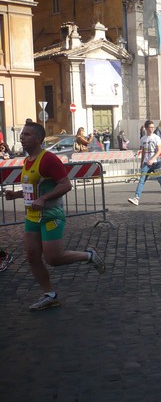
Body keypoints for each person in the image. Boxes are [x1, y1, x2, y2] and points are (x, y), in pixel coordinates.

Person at [5, 122, 105, 311]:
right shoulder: (27, 161)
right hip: (32, 216)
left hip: (51, 215)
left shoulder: (48, 159)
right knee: (32, 256)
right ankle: (50, 295)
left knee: (54, 259)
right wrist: (17, 194)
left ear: (38, 139)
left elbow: (66, 185)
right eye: (22, 134)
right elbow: (33, 188)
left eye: (27, 134)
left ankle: (89, 255)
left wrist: (44, 199)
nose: (22, 137)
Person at [128, 120, 161, 206]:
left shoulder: (156, 138)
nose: (152, 129)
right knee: (142, 180)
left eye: (153, 127)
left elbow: (159, 151)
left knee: (160, 179)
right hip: (146, 163)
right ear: (146, 128)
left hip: (156, 163)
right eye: (150, 127)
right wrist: (141, 162)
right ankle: (136, 198)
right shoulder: (143, 138)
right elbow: (143, 151)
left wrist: (152, 159)